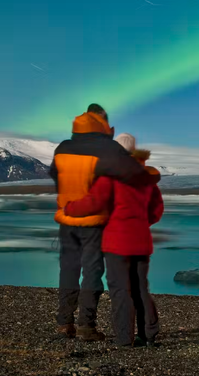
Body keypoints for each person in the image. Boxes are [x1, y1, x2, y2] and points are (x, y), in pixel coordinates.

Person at [49, 104, 153, 341]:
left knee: (68, 269)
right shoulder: (109, 148)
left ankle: (64, 323)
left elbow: (56, 175)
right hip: (95, 222)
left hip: (67, 219)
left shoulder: (63, 147)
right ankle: (86, 326)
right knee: (92, 272)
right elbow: (131, 175)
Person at [65, 133, 163, 347]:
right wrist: (140, 224)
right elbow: (156, 210)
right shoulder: (146, 177)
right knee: (140, 288)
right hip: (141, 241)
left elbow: (94, 202)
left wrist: (70, 208)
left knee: (120, 290)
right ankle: (149, 333)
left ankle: (123, 338)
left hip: (117, 242)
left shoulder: (111, 175)